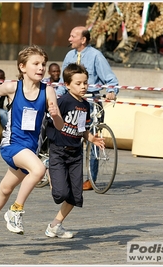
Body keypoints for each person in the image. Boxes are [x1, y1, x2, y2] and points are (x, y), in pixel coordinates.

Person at [0, 45, 64, 249]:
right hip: (12, 145)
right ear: (22, 67)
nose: (41, 68)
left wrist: (55, 114)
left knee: (5, 188)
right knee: (38, 169)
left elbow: (60, 125)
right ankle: (15, 210)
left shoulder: (48, 91)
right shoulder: (13, 88)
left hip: (29, 150)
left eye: (43, 64)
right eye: (35, 64)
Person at [45, 63, 104, 238]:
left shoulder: (85, 105)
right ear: (67, 84)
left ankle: (55, 225)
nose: (83, 86)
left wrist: (91, 138)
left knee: (75, 195)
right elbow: (51, 123)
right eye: (78, 83)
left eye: (85, 83)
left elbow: (81, 128)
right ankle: (49, 169)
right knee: (60, 193)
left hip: (75, 154)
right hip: (59, 152)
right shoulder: (62, 102)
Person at [56, 26, 119, 190]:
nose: (69, 39)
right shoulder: (69, 55)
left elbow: (110, 79)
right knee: (67, 136)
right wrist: (56, 98)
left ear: (83, 39)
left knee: (92, 140)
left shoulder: (96, 56)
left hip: (91, 103)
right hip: (70, 103)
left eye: (73, 36)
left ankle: (91, 178)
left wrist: (111, 91)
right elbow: (64, 82)